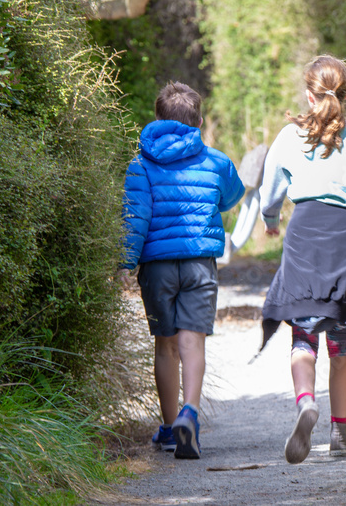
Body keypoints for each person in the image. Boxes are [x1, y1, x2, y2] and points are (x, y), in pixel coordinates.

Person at [258, 55, 346, 465]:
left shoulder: (288, 137)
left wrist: (269, 221)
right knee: (341, 344)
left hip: (303, 237)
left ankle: (305, 403)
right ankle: (339, 434)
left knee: (303, 336)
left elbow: (270, 194)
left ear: (308, 93)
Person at [122, 81, 245, 459]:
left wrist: (127, 263)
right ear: (199, 122)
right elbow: (233, 196)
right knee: (193, 341)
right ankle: (190, 413)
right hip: (199, 264)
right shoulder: (216, 161)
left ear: (158, 119)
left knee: (166, 345)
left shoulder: (140, 165)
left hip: (157, 267)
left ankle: (170, 427)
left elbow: (135, 219)